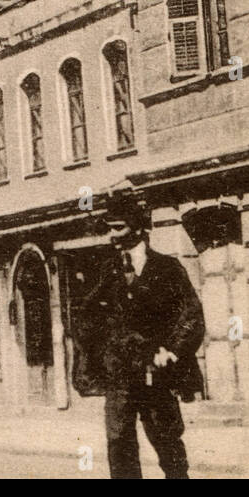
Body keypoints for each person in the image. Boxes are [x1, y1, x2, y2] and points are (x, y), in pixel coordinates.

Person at [73, 194, 205, 479]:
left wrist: (171, 350)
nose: (112, 235)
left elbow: (191, 315)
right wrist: (104, 351)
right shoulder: (106, 270)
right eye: (109, 228)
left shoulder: (168, 268)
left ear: (138, 228)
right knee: (119, 443)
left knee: (167, 442)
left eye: (118, 227)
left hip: (158, 371)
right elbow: (85, 317)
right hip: (120, 375)